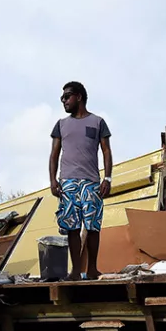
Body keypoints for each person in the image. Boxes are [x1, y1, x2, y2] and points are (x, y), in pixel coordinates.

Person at [49, 81, 113, 280]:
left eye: (67, 96)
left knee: (93, 226)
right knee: (72, 227)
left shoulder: (98, 122)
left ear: (79, 96)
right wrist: (52, 180)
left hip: (92, 182)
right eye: (62, 98)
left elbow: (106, 151)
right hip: (67, 182)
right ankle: (76, 271)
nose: (64, 101)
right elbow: (54, 155)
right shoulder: (61, 124)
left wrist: (107, 178)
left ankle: (92, 269)